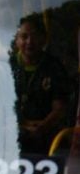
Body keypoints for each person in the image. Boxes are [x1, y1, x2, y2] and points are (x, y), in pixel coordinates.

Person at [10, 15, 71, 155]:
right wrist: (22, 125)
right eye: (24, 37)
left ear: (43, 39)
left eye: (35, 36)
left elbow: (60, 108)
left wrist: (43, 126)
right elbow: (1, 105)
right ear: (17, 40)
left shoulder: (54, 67)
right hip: (12, 136)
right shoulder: (8, 65)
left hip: (46, 140)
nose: (29, 42)